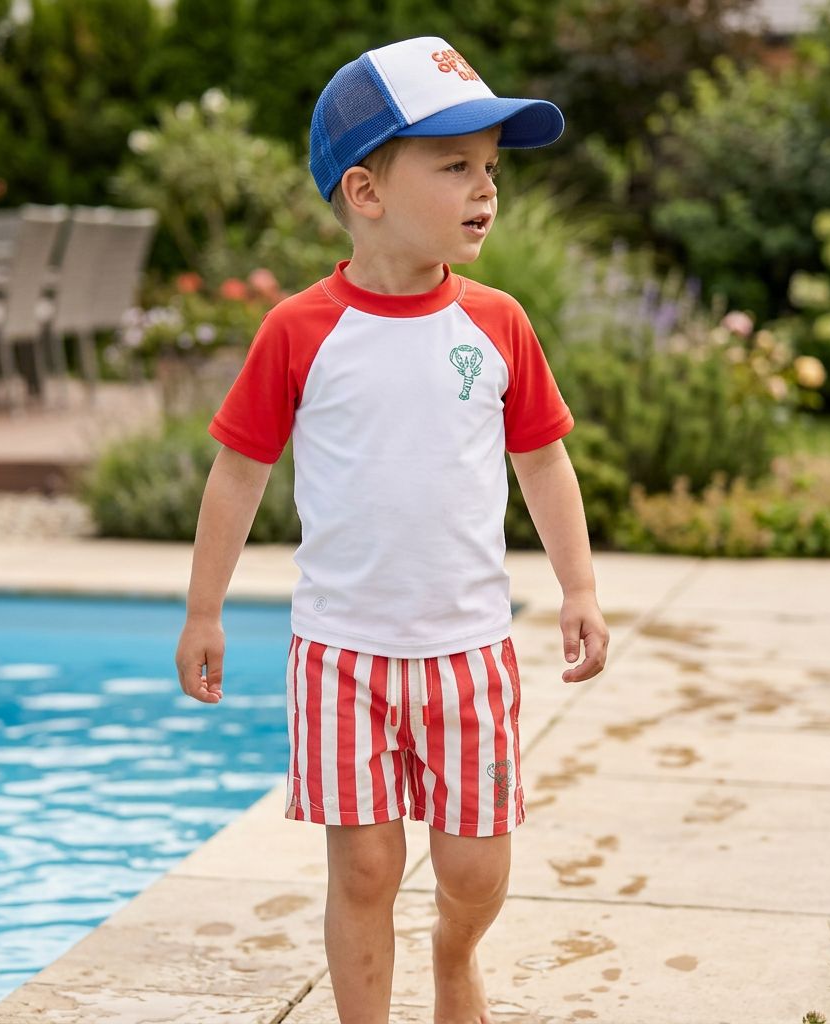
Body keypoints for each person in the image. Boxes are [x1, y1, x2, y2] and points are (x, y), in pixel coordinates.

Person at [175, 35, 610, 1024]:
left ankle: (456, 957)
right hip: (341, 655)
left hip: (468, 652)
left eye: (490, 166)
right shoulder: (299, 331)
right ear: (366, 192)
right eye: (454, 165)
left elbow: (543, 461)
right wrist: (205, 610)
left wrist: (579, 588)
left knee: (474, 870)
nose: (485, 187)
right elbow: (238, 471)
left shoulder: (497, 324)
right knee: (366, 867)